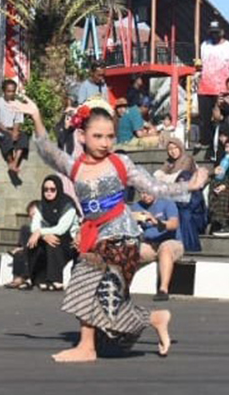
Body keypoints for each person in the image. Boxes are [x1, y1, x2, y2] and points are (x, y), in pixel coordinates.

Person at [17, 97, 206, 362]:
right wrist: (36, 117)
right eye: (98, 136)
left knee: (100, 296)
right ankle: (118, 333)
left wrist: (190, 187)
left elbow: (154, 187)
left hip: (122, 238)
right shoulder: (75, 166)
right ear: (82, 136)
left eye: (110, 136)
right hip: (94, 238)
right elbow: (48, 150)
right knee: (90, 294)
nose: (105, 142)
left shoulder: (120, 163)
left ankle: (97, 342)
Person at [9, 176, 77, 290]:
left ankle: (55, 280)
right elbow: (34, 226)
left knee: (53, 238)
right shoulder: (41, 206)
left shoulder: (68, 206)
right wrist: (43, 235)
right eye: (46, 189)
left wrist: (40, 232)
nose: (48, 192)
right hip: (48, 239)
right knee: (26, 230)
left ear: (58, 189)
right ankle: (27, 276)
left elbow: (61, 229)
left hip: (67, 242)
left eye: (52, 189)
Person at [132, 188, 183, 302]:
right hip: (150, 243)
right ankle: (121, 286)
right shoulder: (136, 206)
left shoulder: (167, 202)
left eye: (148, 192)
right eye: (142, 193)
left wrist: (156, 222)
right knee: (132, 250)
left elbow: (174, 224)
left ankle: (163, 289)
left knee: (165, 248)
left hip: (171, 241)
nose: (145, 196)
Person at [157, 140, 205, 253]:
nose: (173, 152)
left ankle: (190, 247)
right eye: (170, 149)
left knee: (184, 213)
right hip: (176, 195)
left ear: (180, 147)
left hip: (192, 198)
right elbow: (157, 176)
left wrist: (167, 179)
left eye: (175, 148)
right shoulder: (169, 162)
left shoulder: (187, 159)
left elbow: (180, 175)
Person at [196, 22, 229, 150]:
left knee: (223, 116)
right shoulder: (204, 45)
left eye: (216, 32)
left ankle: (226, 140)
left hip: (221, 88)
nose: (214, 35)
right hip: (204, 87)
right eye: (212, 32)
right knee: (204, 118)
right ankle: (205, 141)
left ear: (222, 32)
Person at [0, 78, 31, 187]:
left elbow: (18, 120)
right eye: (9, 91)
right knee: (6, 137)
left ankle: (14, 163)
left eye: (13, 91)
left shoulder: (17, 104)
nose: (11, 93)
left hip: (12, 129)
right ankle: (10, 162)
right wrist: (9, 132)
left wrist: (16, 132)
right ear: (4, 91)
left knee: (23, 137)